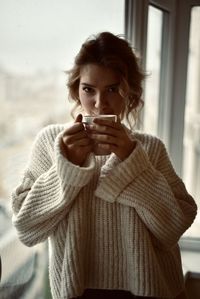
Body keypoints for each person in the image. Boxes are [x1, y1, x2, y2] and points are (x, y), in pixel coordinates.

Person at [11, 32, 197, 299]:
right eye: (88, 90)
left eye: (112, 89)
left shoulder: (149, 149)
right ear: (76, 90)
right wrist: (68, 167)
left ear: (129, 93)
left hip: (150, 288)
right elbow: (26, 230)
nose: (100, 104)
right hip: (78, 289)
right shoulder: (51, 143)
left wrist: (132, 160)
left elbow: (173, 228)